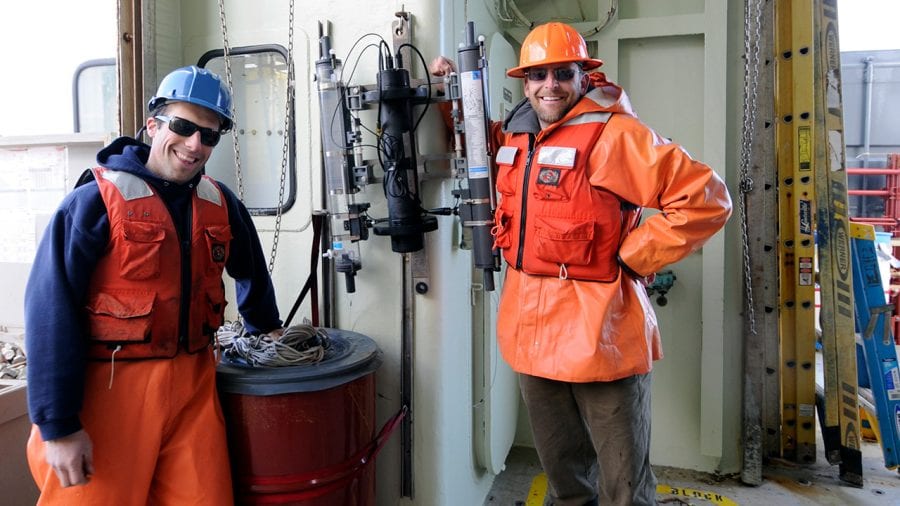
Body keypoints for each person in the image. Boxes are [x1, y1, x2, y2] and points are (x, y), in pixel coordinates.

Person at [431, 22, 732, 506]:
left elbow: (707, 200)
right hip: (532, 331)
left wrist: (634, 254)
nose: (550, 85)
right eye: (539, 75)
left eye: (562, 73)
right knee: (564, 476)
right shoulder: (517, 134)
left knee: (623, 486)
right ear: (524, 83)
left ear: (585, 76)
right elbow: (482, 145)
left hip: (602, 333)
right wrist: (450, 100)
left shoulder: (617, 136)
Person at [24, 65, 283, 504]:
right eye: (182, 127)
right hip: (110, 392)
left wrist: (266, 331)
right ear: (152, 124)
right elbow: (50, 309)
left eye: (209, 135)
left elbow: (252, 271)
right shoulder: (93, 203)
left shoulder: (220, 202)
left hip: (194, 392)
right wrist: (59, 425)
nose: (194, 144)